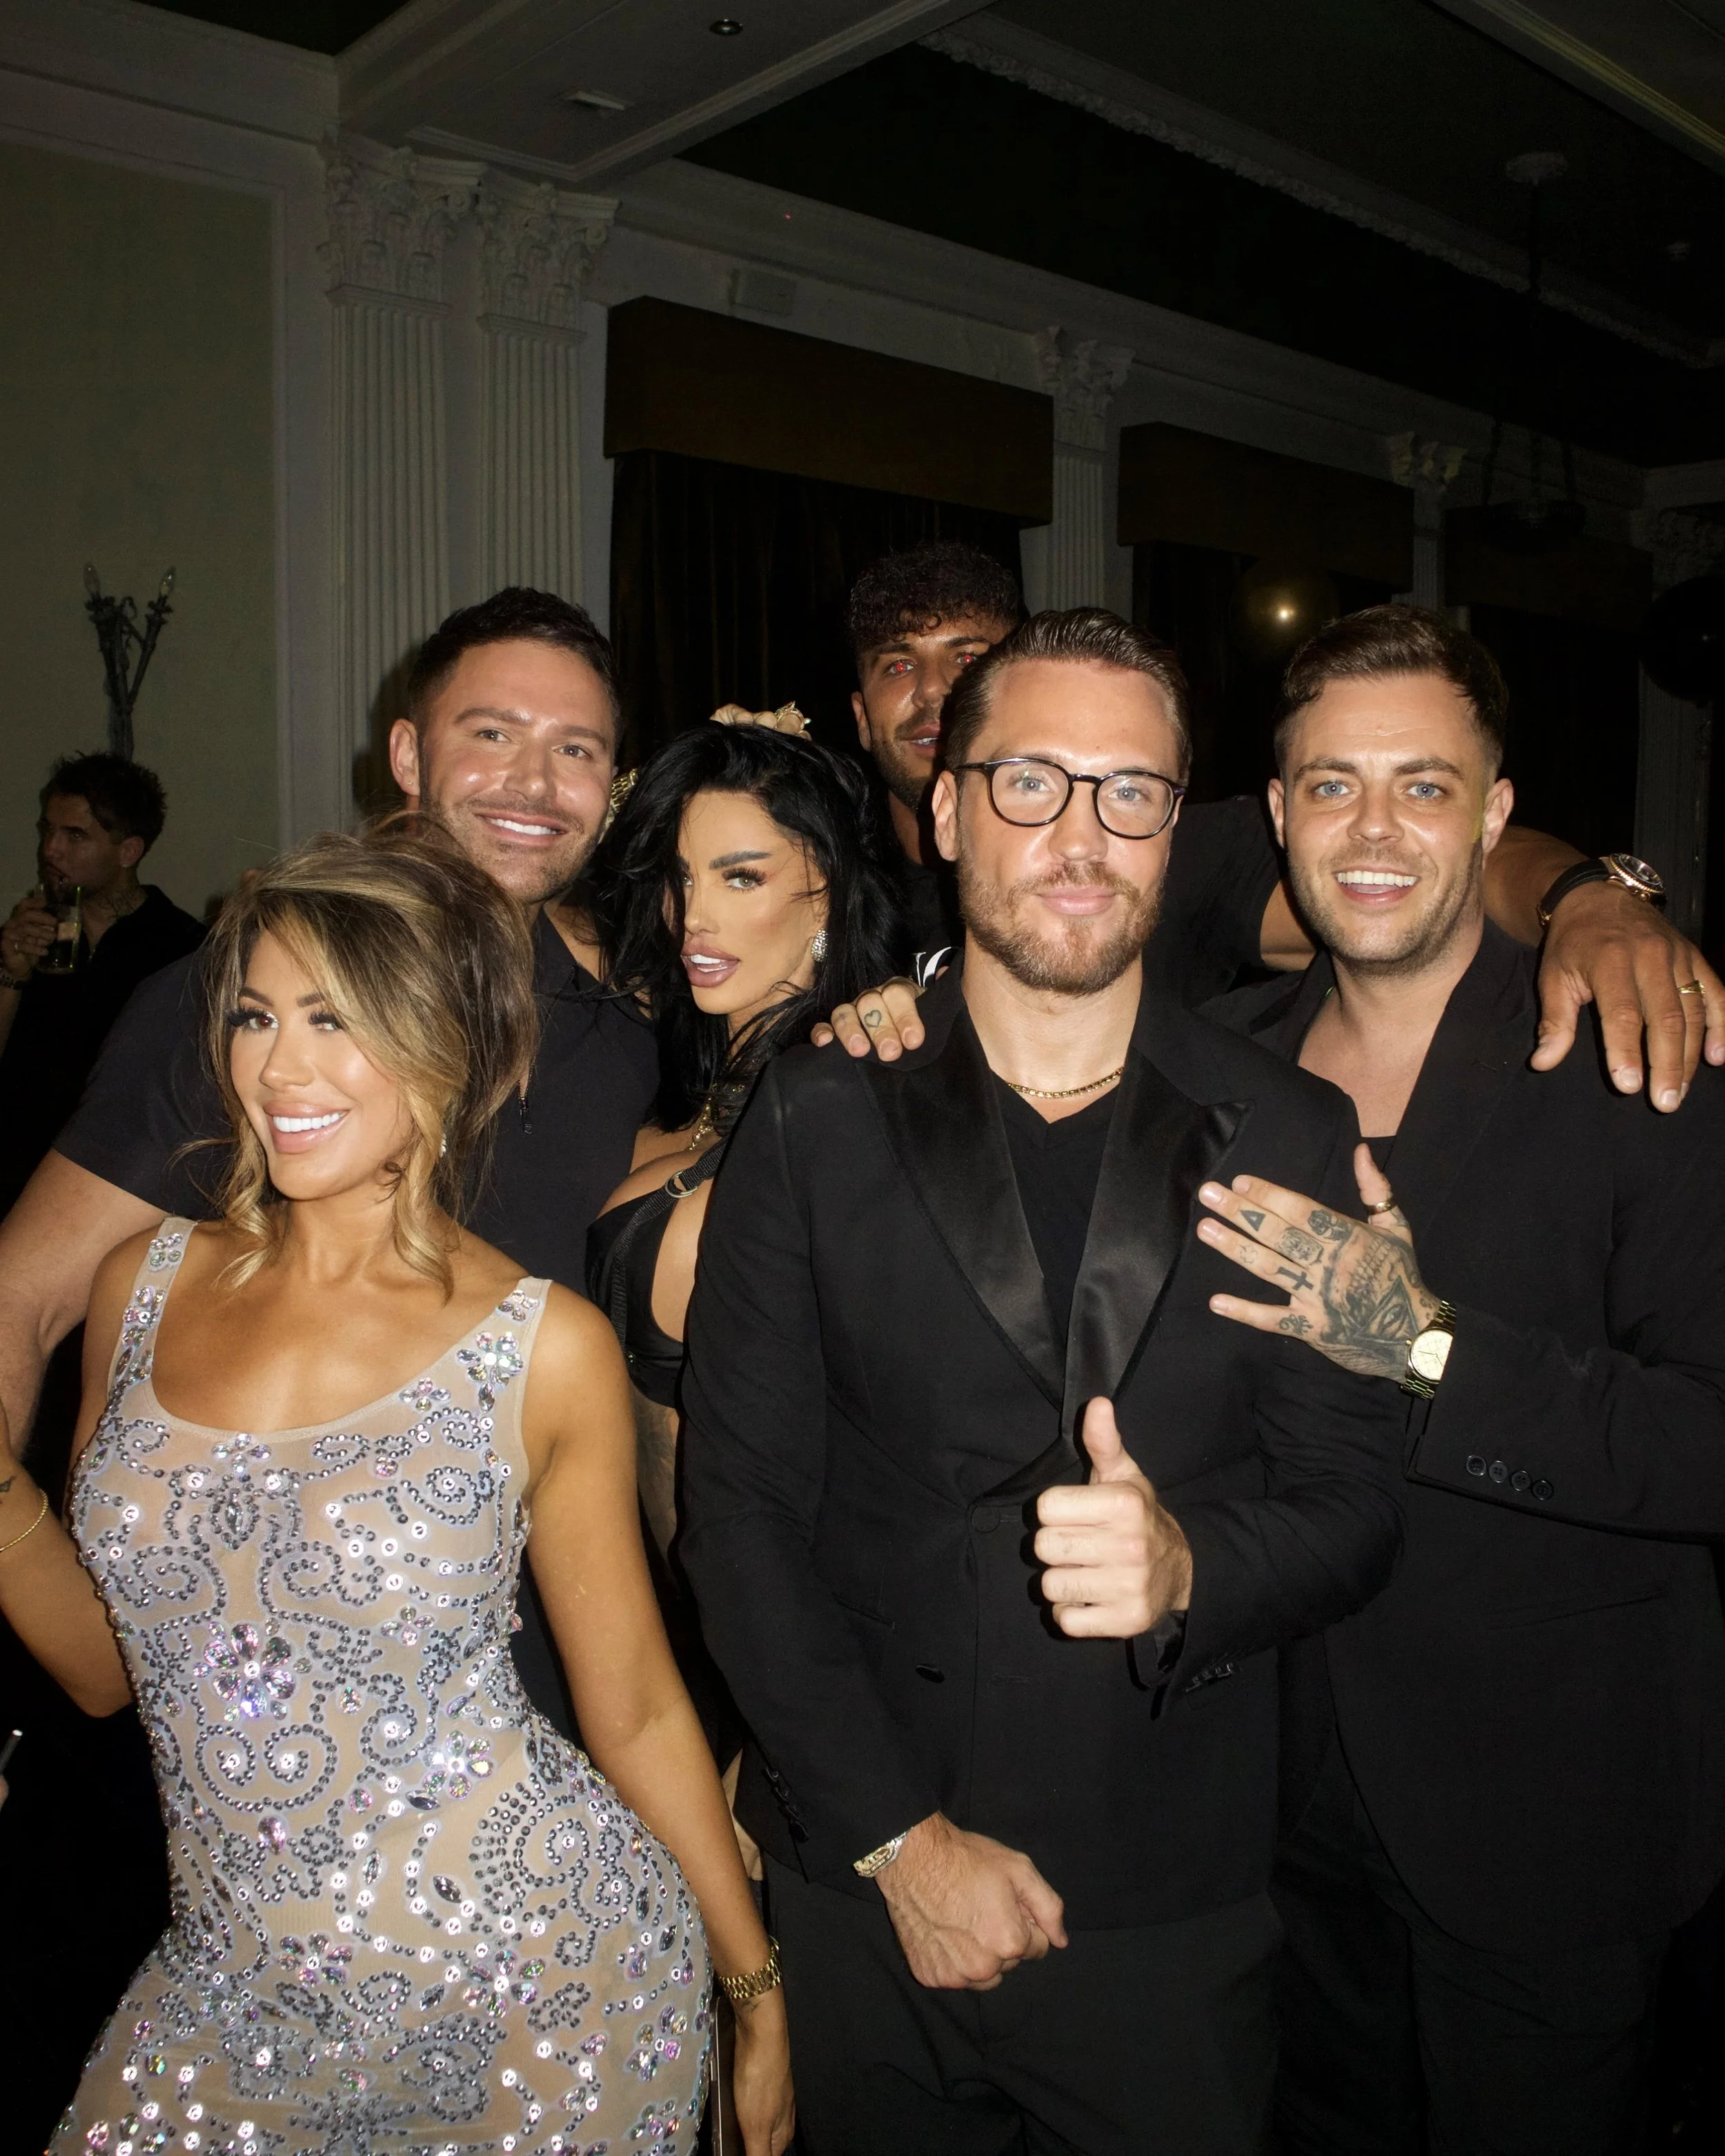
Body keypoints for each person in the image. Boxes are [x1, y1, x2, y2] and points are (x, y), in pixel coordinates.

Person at [677, 608, 1410, 2154]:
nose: (1079, 835)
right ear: (944, 810)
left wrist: (1192, 1560)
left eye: (1128, 791)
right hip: (865, 1883)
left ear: (1177, 825)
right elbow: (737, 1512)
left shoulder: (1292, 1125)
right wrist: (898, 1841)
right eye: (1028, 782)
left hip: (1164, 1905)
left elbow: (1353, 1505)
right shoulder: (816, 1111)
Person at [0, 829, 793, 2154]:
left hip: (548, 1987)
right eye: (257, 1014)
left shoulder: (541, 1346)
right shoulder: (140, 1284)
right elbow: (105, 1665)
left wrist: (754, 1987)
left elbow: (640, 1707)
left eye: (337, 1019)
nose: (280, 1065)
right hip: (230, 1995)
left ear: (449, 1051)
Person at [1194, 605, 1725, 2155]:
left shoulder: (1640, 1058)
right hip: (1270, 1798)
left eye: (1422, 787)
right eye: (1330, 784)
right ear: (1276, 811)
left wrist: (1420, 1343)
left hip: (1545, 1802)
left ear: (1494, 813)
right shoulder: (1213, 1062)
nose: (1372, 830)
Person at [831, 541, 1724, 1109]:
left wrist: (1587, 901)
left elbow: (1391, 882)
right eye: (897, 663)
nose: (935, 693)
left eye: (969, 659)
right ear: (862, 711)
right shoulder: (825, 876)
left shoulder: (1155, 854)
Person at [586, 715, 903, 1563]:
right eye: (680, 877)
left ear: (828, 890)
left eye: (741, 878)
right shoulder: (670, 1087)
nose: (695, 918)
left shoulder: (849, 1112)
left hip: (758, 1622)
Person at [0, 754, 204, 1214]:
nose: (51, 850)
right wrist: (11, 973)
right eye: (47, 830)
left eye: (75, 835)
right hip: (16, 1178)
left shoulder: (180, 947)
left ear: (128, 851)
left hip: (115, 1192)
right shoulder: (27, 934)